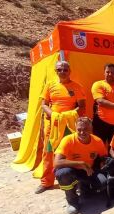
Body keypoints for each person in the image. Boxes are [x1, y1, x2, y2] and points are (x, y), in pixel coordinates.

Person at [36, 60, 86, 194]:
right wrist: (53, 115)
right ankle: (46, 182)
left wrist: (70, 115)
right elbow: (44, 104)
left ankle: (78, 182)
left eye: (65, 69)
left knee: (72, 152)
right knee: (48, 153)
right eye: (59, 70)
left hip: (69, 126)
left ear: (70, 71)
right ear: (55, 71)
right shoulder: (49, 85)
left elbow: (82, 106)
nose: (62, 72)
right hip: (52, 125)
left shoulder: (77, 86)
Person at [54, 117, 108, 214]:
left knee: (103, 182)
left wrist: (102, 165)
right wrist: (81, 163)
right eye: (79, 130)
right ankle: (72, 201)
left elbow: (104, 156)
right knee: (63, 173)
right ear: (75, 129)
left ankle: (84, 187)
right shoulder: (68, 140)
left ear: (91, 129)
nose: (82, 132)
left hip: (88, 170)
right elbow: (56, 163)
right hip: (72, 171)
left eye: (85, 129)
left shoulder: (97, 141)